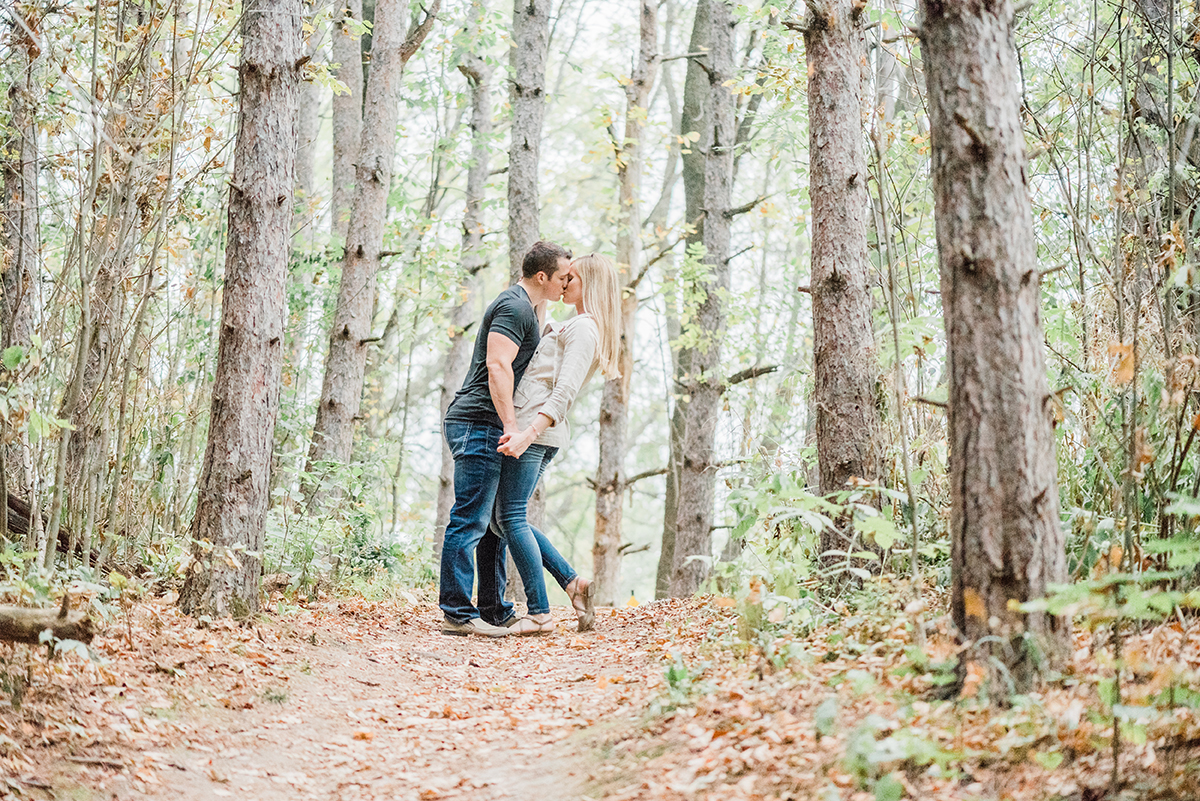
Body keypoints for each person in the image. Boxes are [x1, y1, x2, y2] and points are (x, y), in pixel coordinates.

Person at [439, 241, 572, 637]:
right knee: (471, 519)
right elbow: (498, 366)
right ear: (542, 277)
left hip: (489, 423)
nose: (568, 283)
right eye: (563, 277)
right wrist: (512, 425)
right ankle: (458, 613)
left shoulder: (528, 307)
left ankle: (495, 609)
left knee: (495, 523)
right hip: (478, 421)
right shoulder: (513, 307)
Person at [487, 254, 623, 636]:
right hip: (533, 428)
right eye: (562, 277)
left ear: (590, 286)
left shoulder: (585, 329)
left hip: (536, 430)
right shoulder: (574, 324)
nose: (564, 284)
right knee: (503, 520)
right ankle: (572, 584)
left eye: (572, 278)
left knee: (510, 518)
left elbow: (564, 391)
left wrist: (526, 432)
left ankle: (540, 612)